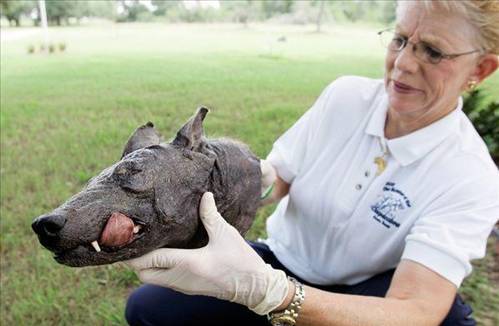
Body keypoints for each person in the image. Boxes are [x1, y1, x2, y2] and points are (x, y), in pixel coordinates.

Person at [125, 1, 499, 325]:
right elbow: (279, 177)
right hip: (281, 261)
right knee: (149, 308)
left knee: (448, 321)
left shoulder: (470, 176)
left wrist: (273, 294)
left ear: (480, 70)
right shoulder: (346, 98)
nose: (402, 64)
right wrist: (231, 181)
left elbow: (416, 309)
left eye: (432, 51)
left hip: (365, 288)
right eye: (400, 39)